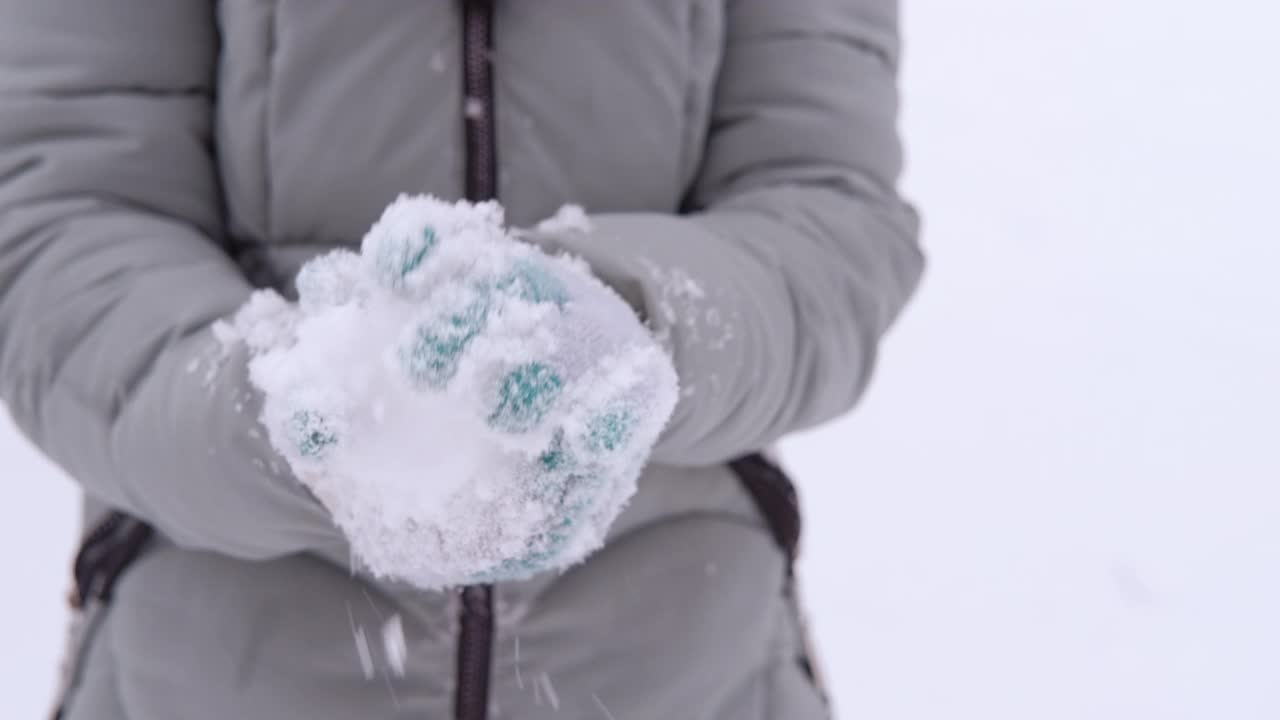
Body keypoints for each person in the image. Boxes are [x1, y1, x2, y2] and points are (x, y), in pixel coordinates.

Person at [0, 0, 922, 718]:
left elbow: (827, 215)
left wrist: (639, 326)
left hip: (690, 671)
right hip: (209, 673)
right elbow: (61, 225)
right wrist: (271, 407)